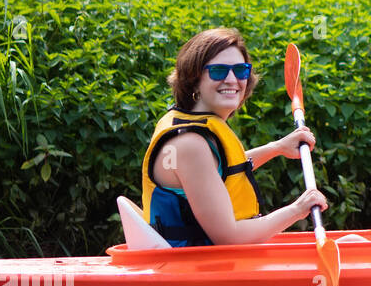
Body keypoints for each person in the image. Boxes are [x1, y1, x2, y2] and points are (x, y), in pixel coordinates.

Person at [140, 28, 328, 246]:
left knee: (351, 241)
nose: (232, 80)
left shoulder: (188, 126)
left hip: (210, 263)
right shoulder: (189, 144)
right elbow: (228, 236)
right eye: (218, 71)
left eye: (240, 71)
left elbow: (219, 172)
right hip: (197, 271)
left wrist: (277, 147)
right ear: (194, 80)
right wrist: (297, 210)